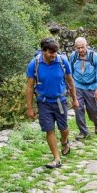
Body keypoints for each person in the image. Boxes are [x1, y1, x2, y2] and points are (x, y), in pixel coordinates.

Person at [26, 38, 79, 169]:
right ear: (43, 51)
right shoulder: (35, 64)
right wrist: (29, 107)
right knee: (49, 130)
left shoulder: (62, 61)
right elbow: (30, 87)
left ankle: (64, 141)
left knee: (63, 128)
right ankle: (56, 158)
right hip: (43, 102)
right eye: (50, 52)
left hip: (60, 101)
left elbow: (70, 82)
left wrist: (75, 99)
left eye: (55, 52)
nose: (54, 55)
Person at [70, 37, 97, 140]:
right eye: (78, 48)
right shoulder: (73, 56)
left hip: (91, 87)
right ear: (75, 48)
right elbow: (69, 72)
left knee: (93, 110)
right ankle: (83, 131)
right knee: (78, 109)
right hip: (77, 87)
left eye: (82, 47)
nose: (80, 50)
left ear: (87, 46)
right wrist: (70, 87)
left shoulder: (94, 56)